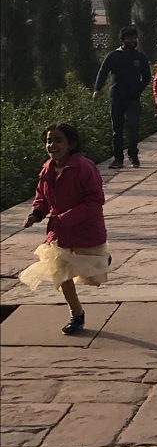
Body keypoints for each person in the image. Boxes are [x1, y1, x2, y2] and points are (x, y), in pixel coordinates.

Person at [19, 123, 109, 335]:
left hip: (85, 228)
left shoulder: (84, 167)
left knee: (92, 272)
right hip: (59, 231)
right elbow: (41, 197)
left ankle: (103, 259)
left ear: (72, 144)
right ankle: (76, 314)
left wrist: (66, 218)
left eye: (58, 140)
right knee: (60, 272)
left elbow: (95, 200)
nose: (52, 145)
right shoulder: (47, 169)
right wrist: (37, 213)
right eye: (49, 140)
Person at [92, 26, 152, 170]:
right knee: (117, 129)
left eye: (134, 38)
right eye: (129, 38)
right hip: (117, 97)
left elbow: (147, 77)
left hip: (133, 98)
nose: (132, 41)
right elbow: (103, 72)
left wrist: (138, 88)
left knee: (133, 126)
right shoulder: (114, 56)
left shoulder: (140, 57)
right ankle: (118, 158)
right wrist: (97, 89)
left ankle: (133, 155)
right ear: (123, 40)